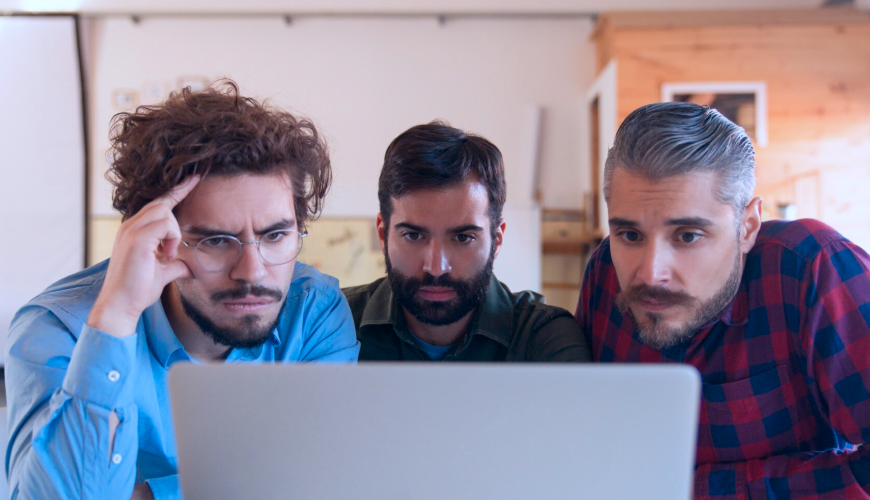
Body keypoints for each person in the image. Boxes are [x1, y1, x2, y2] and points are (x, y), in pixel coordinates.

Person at [5, 81, 359, 500]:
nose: (253, 272)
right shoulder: (58, 328)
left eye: (276, 235)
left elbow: (317, 481)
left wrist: (150, 495)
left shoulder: (313, 309)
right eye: (215, 240)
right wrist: (116, 316)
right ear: (155, 236)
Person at [576, 102, 870, 498]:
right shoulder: (604, 274)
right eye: (630, 235)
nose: (649, 273)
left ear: (747, 226)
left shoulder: (814, 268)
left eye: (688, 236)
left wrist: (692, 491)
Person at [343, 121, 590, 362]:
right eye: (414, 236)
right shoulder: (332, 324)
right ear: (383, 235)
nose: (436, 268)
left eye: (463, 238)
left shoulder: (544, 338)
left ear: (497, 239)